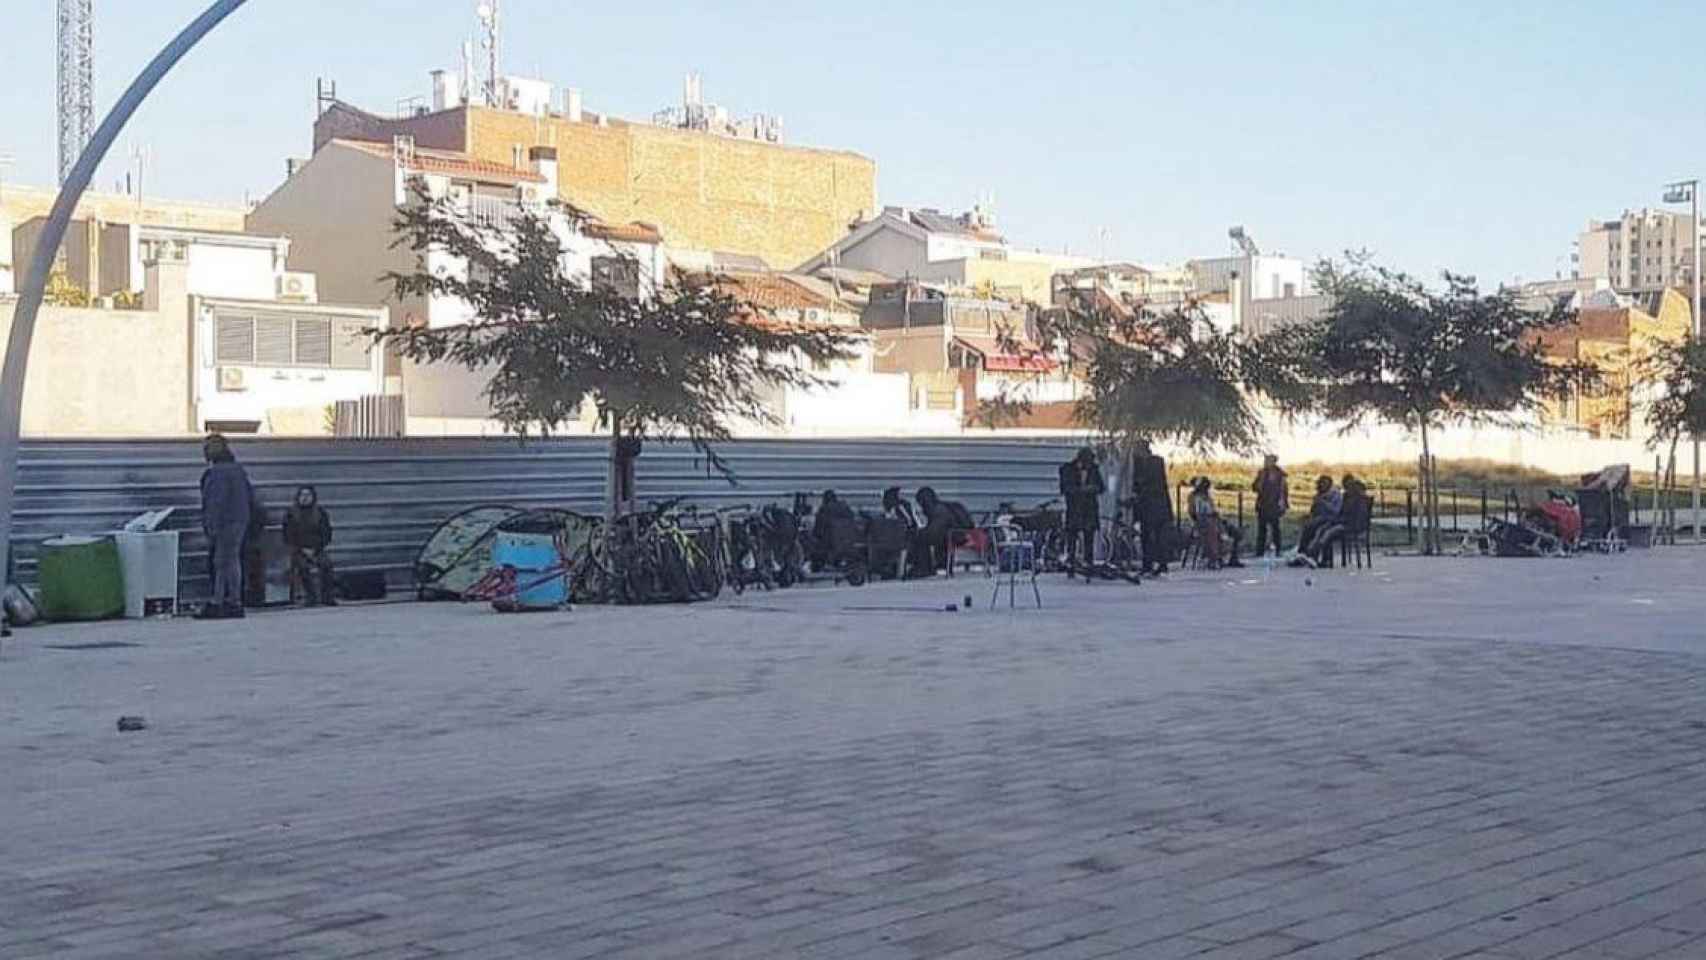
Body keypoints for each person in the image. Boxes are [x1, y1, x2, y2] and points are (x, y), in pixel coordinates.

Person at [199, 434, 253, 619]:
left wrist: (211, 526)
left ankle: (220, 601)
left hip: (225, 523)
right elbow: (249, 495)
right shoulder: (238, 469)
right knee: (231, 560)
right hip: (239, 520)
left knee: (221, 562)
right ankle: (232, 600)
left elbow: (215, 502)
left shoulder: (217, 472)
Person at [283, 485, 337, 607]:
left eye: (308, 495)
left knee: (327, 565)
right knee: (303, 567)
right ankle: (311, 597)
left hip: (317, 549)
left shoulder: (320, 514)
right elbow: (288, 536)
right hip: (299, 550)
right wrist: (302, 549)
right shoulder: (291, 514)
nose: (305, 498)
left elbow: (326, 534)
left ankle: (327, 596)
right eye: (303, 495)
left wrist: (315, 548)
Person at [1131, 440, 1174, 574]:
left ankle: (1159, 563)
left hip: (1155, 505)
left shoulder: (1155, 462)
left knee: (1157, 536)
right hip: (1148, 506)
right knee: (1148, 536)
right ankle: (1150, 564)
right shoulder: (1139, 463)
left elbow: (1151, 484)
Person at [1058, 447, 1106, 569]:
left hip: (1089, 509)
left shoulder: (1094, 469)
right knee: (1072, 537)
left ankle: (1088, 563)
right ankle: (1071, 563)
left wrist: (1093, 488)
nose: (1089, 465)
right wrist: (1081, 490)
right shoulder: (1067, 469)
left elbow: (1101, 487)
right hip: (1075, 508)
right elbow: (1065, 488)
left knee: (1089, 537)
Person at [1187, 477, 1245, 570]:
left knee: (1234, 531)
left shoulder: (1208, 497)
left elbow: (1213, 510)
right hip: (1203, 524)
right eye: (1203, 487)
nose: (1205, 490)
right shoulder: (1193, 497)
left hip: (1215, 521)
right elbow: (1194, 513)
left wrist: (1219, 517)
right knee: (1212, 533)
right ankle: (1214, 558)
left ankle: (1233, 558)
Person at [915, 486, 976, 573]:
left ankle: (924, 568)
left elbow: (934, 531)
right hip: (958, 534)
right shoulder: (942, 506)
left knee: (922, 539)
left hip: (956, 536)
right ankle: (940, 564)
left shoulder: (938, 510)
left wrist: (920, 532)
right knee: (929, 537)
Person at [1297, 475, 1345, 567]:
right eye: (1320, 484)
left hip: (1332, 519)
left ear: (1329, 484)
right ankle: (1302, 554)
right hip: (1319, 518)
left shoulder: (1336, 495)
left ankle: (1313, 556)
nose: (1321, 486)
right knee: (1307, 527)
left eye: (1324, 484)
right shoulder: (1318, 495)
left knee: (1320, 530)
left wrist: (1323, 503)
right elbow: (1313, 511)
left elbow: (1336, 511)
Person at [1251, 454, 1289, 558]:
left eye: (1268, 460)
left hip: (1274, 505)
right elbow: (1254, 487)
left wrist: (1284, 503)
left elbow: (1284, 491)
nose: (1266, 462)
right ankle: (1259, 551)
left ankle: (1278, 550)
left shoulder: (1280, 475)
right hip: (1263, 504)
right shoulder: (1262, 473)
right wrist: (1259, 483)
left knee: (1276, 529)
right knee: (1261, 529)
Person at [810, 490, 857, 570]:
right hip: (849, 546)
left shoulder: (824, 511)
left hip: (829, 547)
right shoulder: (847, 511)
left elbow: (817, 531)